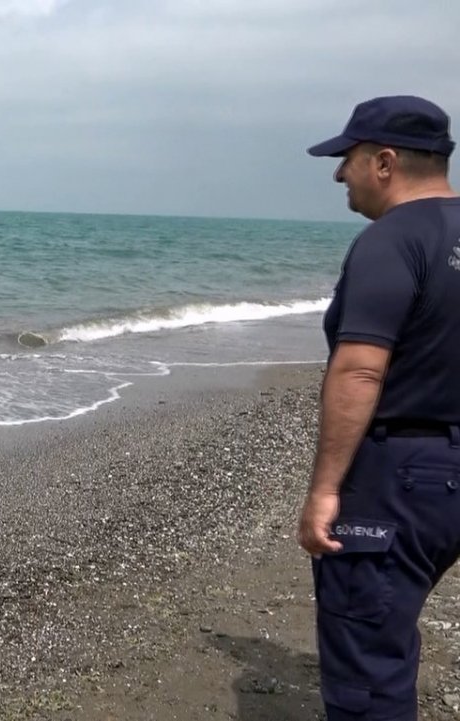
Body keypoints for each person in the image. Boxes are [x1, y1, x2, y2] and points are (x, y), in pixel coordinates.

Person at [298, 95, 459, 720]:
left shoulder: (390, 241)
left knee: (369, 662)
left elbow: (362, 368)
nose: (340, 174)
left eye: (348, 159)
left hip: (401, 477)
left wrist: (324, 490)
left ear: (384, 162)